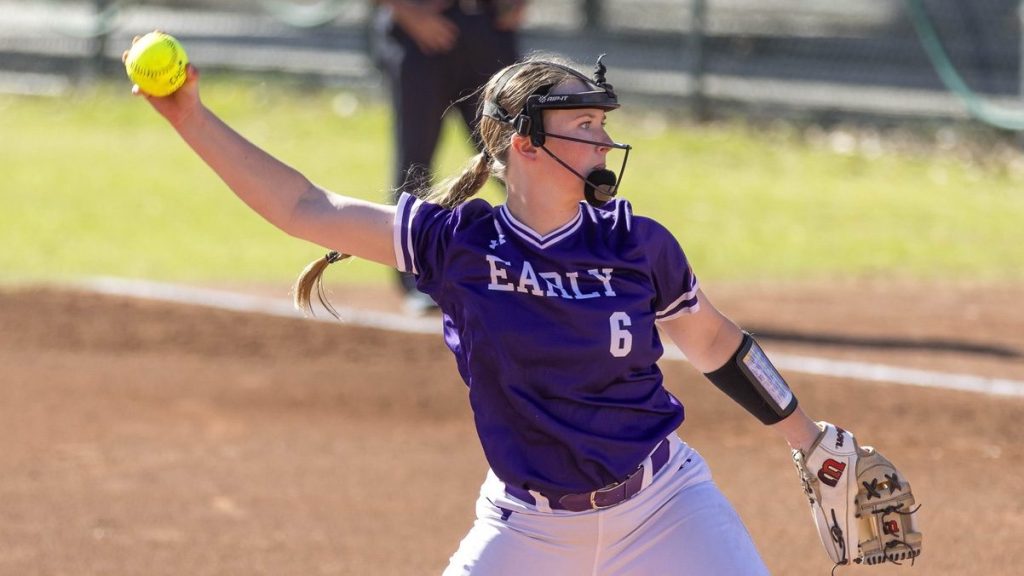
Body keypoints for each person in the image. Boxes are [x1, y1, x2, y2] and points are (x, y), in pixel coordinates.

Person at [127, 46, 908, 574]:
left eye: (604, 125)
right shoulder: (457, 242)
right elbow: (304, 205)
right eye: (586, 126)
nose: (605, 142)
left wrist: (812, 441)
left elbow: (711, 341)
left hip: (665, 504)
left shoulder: (638, 242)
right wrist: (187, 116)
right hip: (529, 528)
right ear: (526, 144)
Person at [371, 0, 526, 313]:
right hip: (420, 32)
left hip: (488, 29)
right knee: (416, 160)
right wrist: (408, 13)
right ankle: (413, 276)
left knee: (516, 156)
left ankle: (563, 258)